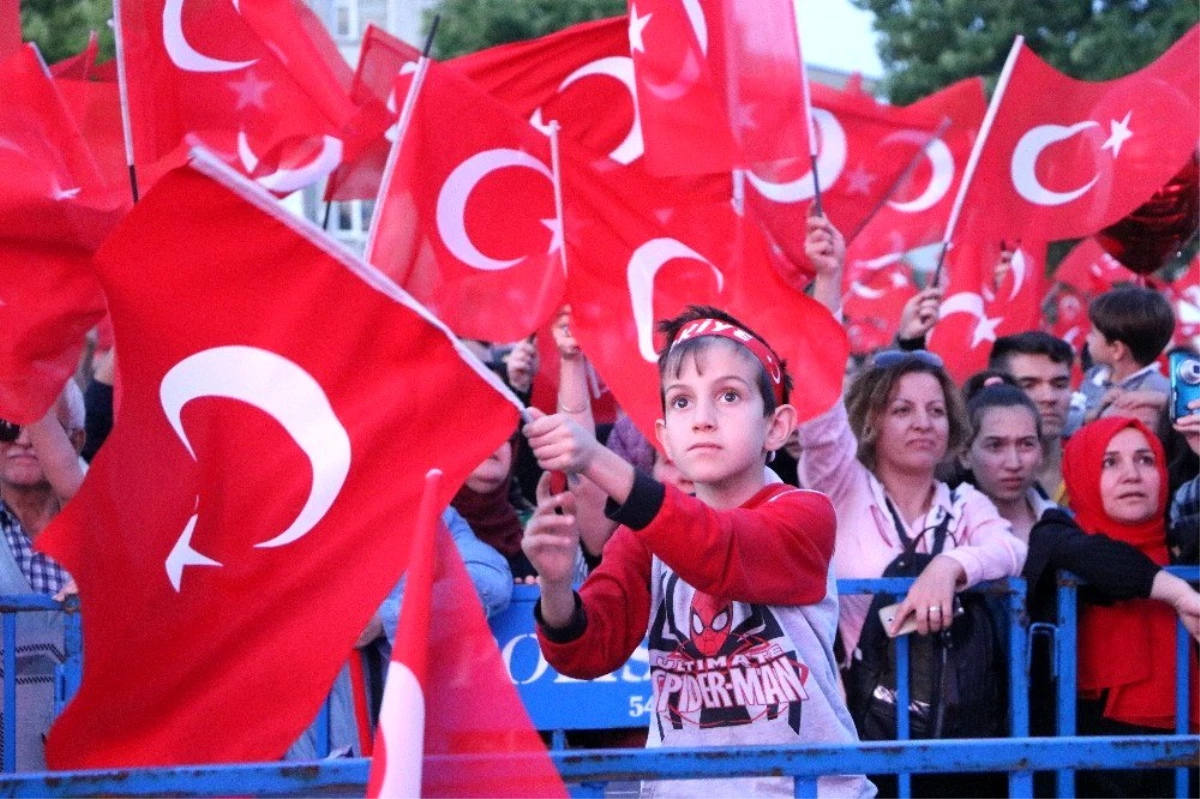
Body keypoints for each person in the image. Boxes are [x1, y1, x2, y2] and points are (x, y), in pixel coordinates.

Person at [522, 304, 873, 798]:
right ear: (664, 435)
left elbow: (719, 551)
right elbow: (587, 650)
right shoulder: (644, 534)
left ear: (777, 426)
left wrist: (599, 460)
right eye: (682, 402)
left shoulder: (806, 513)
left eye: (729, 395)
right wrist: (557, 585)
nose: (703, 418)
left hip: (807, 791)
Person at [1041, 416, 1200, 796]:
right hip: (1084, 763)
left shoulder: (1186, 540)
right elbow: (1103, 560)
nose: (1131, 474)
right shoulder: (1055, 534)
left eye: (1146, 460)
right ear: (1080, 472)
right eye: (1109, 462)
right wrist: (1176, 593)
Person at [0, 383, 87, 770]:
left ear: (77, 439)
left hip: (102, 773)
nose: (23, 439)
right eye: (6, 426)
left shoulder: (119, 514)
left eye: (40, 427)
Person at [989, 331, 1076, 500]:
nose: (1048, 398)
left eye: (1059, 384)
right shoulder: (972, 485)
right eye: (1029, 385)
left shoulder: (1094, 471)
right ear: (998, 389)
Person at [1081, 285, 1175, 424]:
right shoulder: (1094, 377)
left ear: (1117, 349)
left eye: (1093, 333)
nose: (1087, 338)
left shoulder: (1157, 392)